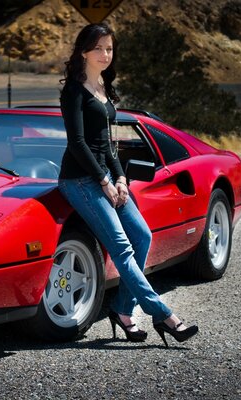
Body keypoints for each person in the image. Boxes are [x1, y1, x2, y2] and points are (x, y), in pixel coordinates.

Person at [58, 22, 198, 347]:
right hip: (79, 179)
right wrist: (104, 180)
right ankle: (163, 314)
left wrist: (120, 177)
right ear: (83, 52)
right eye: (99, 49)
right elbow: (78, 142)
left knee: (142, 236)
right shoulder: (73, 91)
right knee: (121, 247)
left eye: (109, 48)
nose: (105, 54)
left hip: (107, 177)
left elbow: (107, 143)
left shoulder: (103, 86)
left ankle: (121, 310)